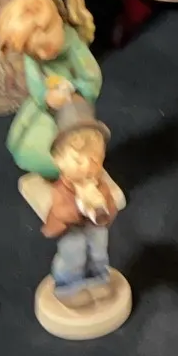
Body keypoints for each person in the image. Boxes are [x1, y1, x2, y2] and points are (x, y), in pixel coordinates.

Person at [0, 0, 101, 179]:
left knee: (63, 147)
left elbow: (92, 77)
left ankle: (67, 172)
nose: (43, 56)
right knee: (26, 138)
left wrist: (73, 90)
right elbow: (35, 81)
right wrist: (45, 97)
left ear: (58, 23)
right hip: (45, 105)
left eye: (46, 48)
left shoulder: (74, 48)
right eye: (34, 52)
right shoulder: (33, 57)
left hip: (71, 112)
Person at [40, 109, 118, 307]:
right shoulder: (62, 189)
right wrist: (80, 206)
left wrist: (103, 205)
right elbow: (60, 211)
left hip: (95, 227)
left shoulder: (99, 184)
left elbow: (111, 206)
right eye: (78, 160)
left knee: (99, 252)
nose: (88, 166)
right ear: (59, 160)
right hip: (71, 229)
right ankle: (68, 288)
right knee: (73, 255)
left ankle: (98, 279)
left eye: (96, 159)